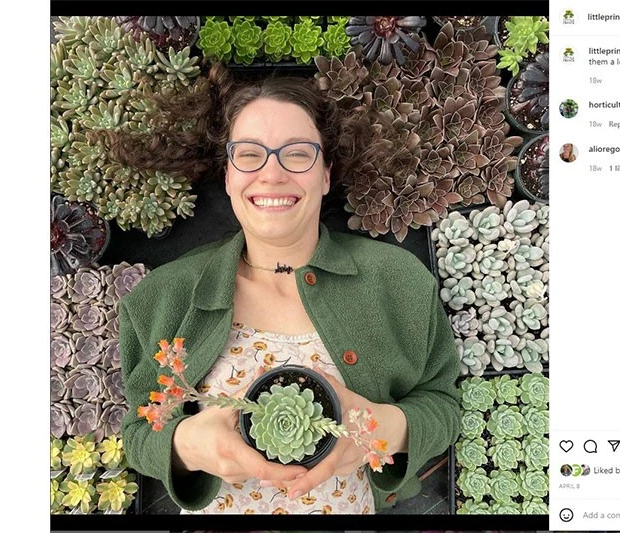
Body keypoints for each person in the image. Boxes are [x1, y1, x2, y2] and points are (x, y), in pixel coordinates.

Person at [107, 63, 461, 514]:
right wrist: (187, 445)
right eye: (249, 154)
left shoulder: (399, 281)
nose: (272, 174)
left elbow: (443, 406)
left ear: (325, 174)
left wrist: (384, 428)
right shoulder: (163, 297)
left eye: (296, 154)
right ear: (228, 175)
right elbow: (139, 434)